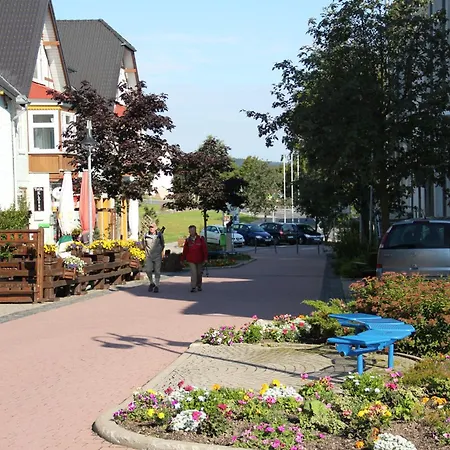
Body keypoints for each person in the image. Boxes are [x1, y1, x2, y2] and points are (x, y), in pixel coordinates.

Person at [181, 225, 208, 292]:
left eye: (193, 230)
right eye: (190, 231)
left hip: (199, 259)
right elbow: (185, 250)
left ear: (195, 231)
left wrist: (205, 258)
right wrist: (182, 259)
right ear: (189, 231)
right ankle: (193, 286)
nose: (192, 232)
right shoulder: (188, 240)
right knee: (193, 273)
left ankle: (199, 285)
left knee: (199, 273)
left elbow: (204, 249)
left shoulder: (200, 239)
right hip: (191, 259)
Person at [142, 223, 165, 293]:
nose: (151, 228)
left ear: (155, 228)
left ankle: (157, 285)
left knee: (157, 271)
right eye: (150, 227)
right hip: (149, 256)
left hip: (157, 256)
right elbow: (143, 244)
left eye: (152, 227)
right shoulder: (146, 235)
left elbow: (163, 244)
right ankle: (152, 283)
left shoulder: (159, 235)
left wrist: (161, 252)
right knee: (148, 270)